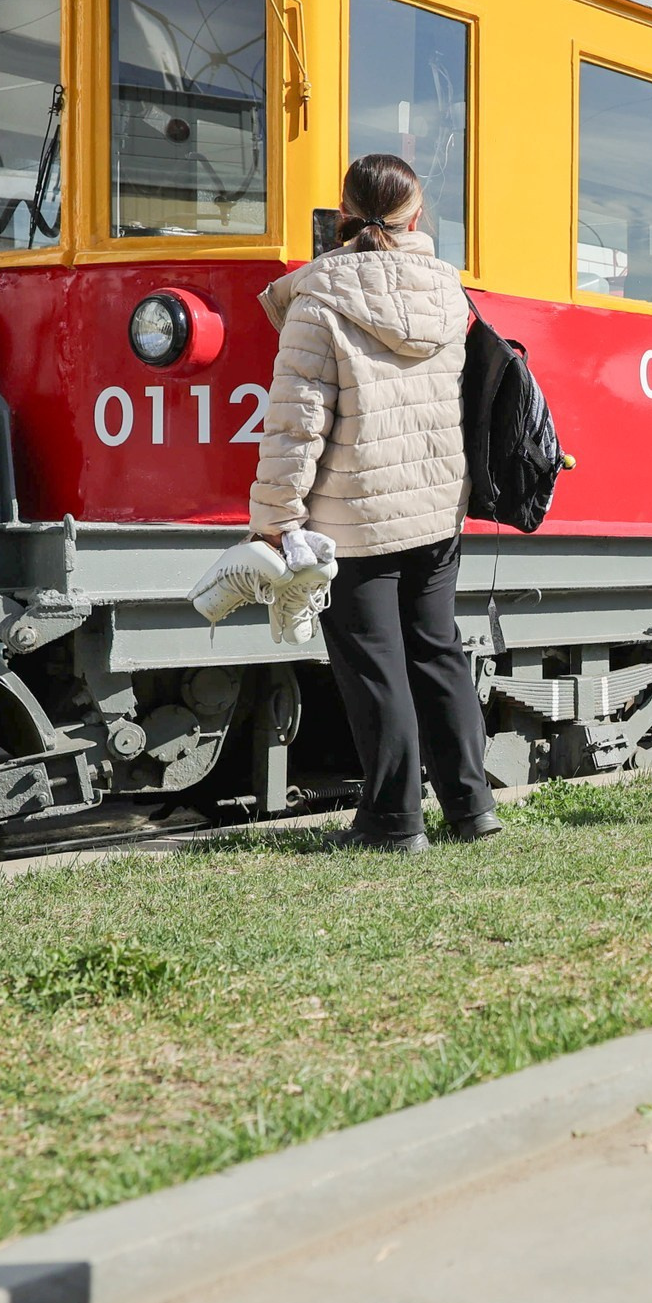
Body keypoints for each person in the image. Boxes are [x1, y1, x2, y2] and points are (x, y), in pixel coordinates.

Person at [252, 154, 501, 852]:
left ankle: (394, 821)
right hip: (435, 511)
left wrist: (275, 519)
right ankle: (472, 806)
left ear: (341, 215)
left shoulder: (319, 298)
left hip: (354, 514)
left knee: (374, 663)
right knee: (438, 651)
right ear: (415, 216)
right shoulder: (450, 295)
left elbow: (296, 424)